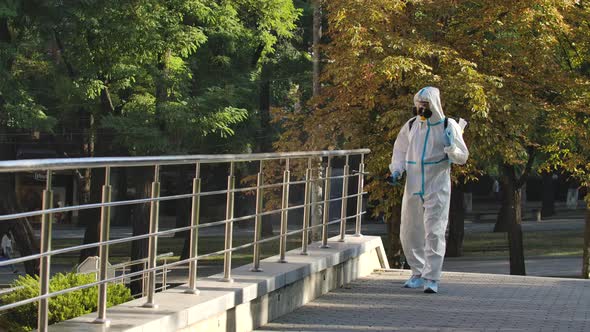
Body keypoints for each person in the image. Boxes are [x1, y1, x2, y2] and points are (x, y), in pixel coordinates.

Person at [388, 87, 469, 293]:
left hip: (437, 182)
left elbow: (462, 157)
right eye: (418, 106)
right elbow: (400, 150)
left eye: (425, 106)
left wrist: (451, 147)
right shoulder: (412, 125)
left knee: (434, 230)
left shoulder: (447, 125)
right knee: (410, 229)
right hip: (414, 181)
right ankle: (416, 272)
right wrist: (397, 170)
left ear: (434, 105)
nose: (421, 109)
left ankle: (432, 277)